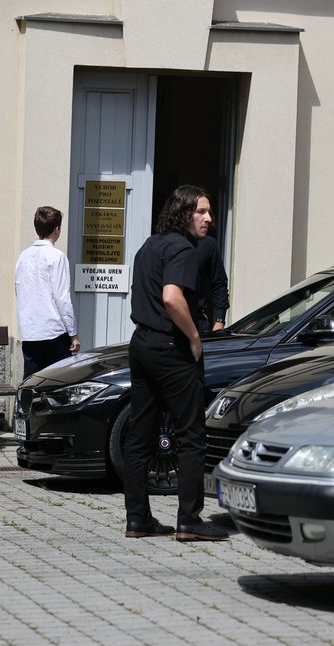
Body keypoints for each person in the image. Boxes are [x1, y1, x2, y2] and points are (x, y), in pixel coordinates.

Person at [123, 184, 229, 542]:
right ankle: (190, 520)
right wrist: (195, 336)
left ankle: (138, 518)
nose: (208, 218)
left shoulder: (149, 246)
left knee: (140, 435)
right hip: (171, 348)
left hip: (142, 344)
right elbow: (172, 297)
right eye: (201, 211)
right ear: (184, 213)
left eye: (209, 211)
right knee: (191, 435)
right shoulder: (183, 248)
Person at [14, 206, 79, 378]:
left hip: (30, 331)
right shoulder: (56, 256)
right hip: (53, 331)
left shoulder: (23, 256)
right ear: (57, 229)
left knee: (31, 383)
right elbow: (62, 297)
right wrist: (73, 334)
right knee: (58, 384)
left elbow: (19, 290)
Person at [194, 234, 230, 332]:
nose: (207, 219)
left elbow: (219, 283)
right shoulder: (157, 243)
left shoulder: (207, 243)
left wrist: (219, 320)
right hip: (166, 319)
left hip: (198, 320)